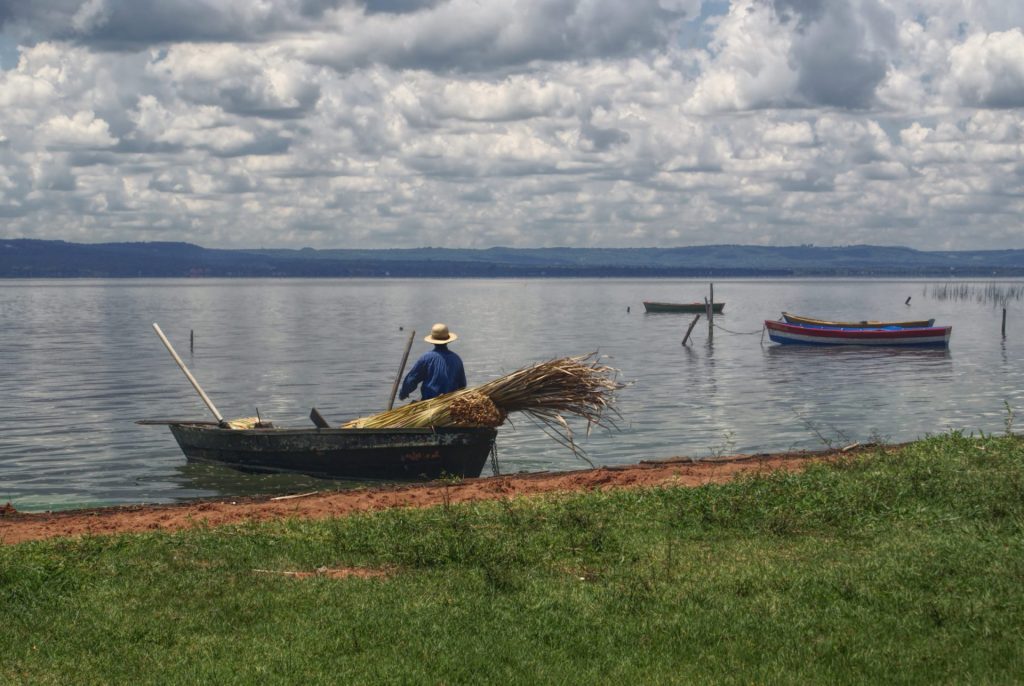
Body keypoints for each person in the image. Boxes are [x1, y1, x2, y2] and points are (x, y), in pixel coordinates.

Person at [398, 323, 467, 401]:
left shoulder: (426, 358)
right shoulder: (456, 359)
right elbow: (462, 385)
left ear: (432, 341)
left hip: (430, 402)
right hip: (450, 402)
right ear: (448, 341)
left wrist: (403, 394)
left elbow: (412, 379)